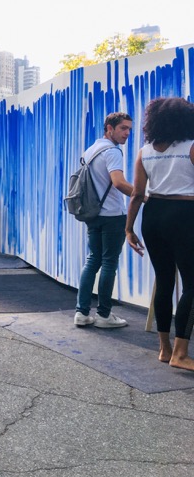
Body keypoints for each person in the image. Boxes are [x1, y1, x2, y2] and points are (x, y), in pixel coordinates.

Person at [126, 98, 194, 368]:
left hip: (152, 215)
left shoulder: (145, 151)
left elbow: (136, 194)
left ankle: (165, 349)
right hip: (185, 215)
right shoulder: (191, 147)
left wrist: (129, 229)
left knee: (164, 280)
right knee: (192, 284)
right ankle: (181, 354)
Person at [73, 112, 134, 328]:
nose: (128, 133)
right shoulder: (113, 151)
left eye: (129, 128)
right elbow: (118, 183)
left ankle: (81, 312)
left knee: (93, 260)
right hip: (112, 216)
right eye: (123, 128)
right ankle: (105, 315)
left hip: (93, 214)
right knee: (109, 262)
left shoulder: (91, 151)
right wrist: (143, 195)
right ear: (110, 128)